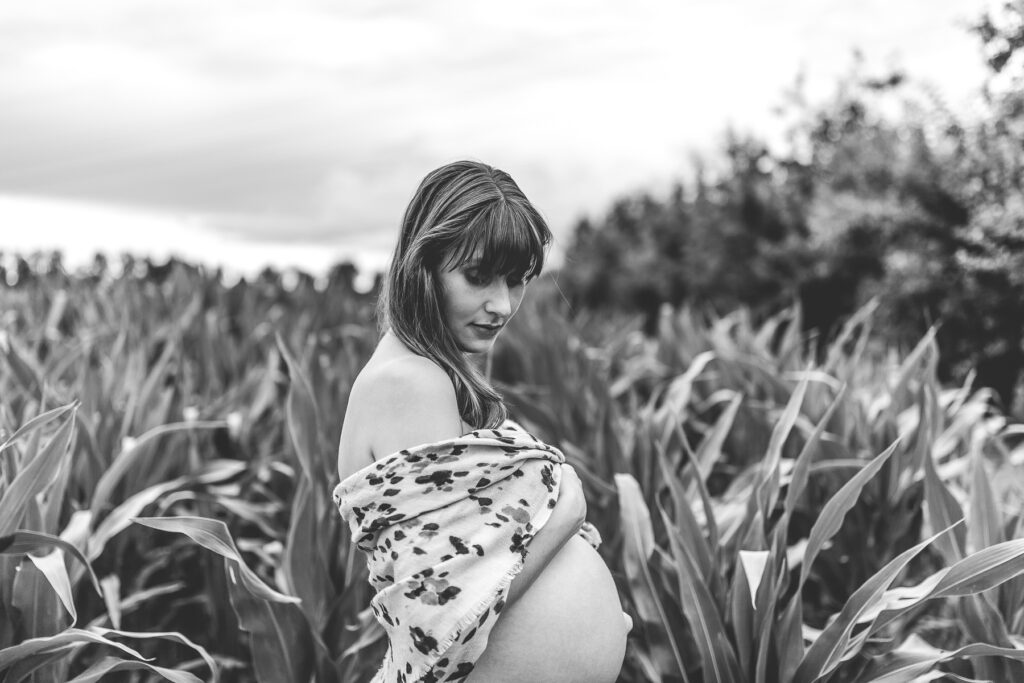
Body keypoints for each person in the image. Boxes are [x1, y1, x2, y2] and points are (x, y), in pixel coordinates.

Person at [336, 160, 630, 683]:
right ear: (421, 265)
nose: (501, 305)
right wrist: (566, 513)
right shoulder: (411, 382)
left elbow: (474, 569)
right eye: (478, 278)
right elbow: (448, 617)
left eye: (516, 281)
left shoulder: (421, 375)